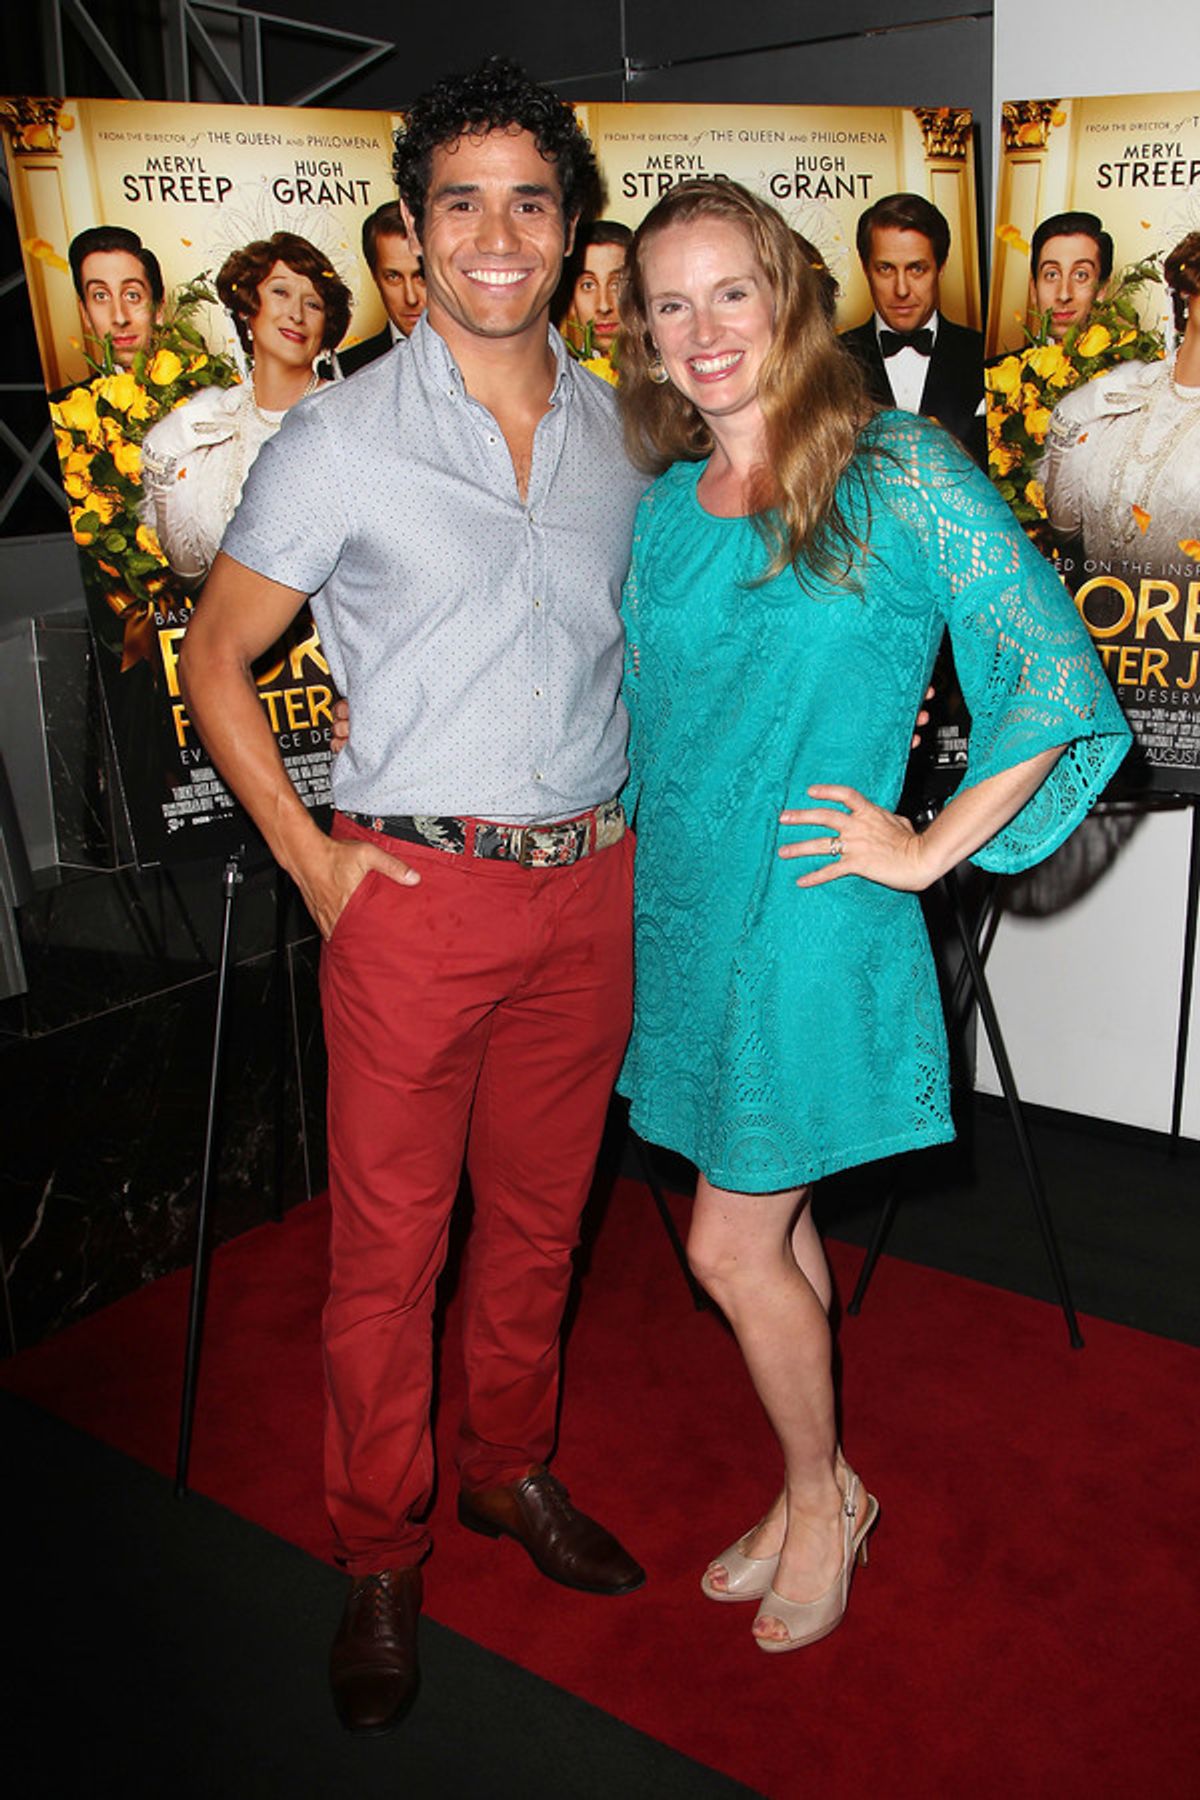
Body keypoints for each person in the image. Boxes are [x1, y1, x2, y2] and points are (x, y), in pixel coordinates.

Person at [177, 59, 649, 1735]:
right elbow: (215, 655)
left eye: (531, 198)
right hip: (414, 900)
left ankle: (506, 1471)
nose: (498, 234)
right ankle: (377, 1550)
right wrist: (313, 864)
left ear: (573, 223)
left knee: (539, 1225)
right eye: (463, 201)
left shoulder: (622, 428)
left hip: (595, 890)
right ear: (417, 230)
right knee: (391, 1249)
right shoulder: (344, 435)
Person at [616, 178, 1129, 1653]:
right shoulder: (663, 511)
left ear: (787, 293)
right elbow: (661, 719)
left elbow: (1049, 670)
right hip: (694, 914)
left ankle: (823, 1495)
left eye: (732, 291)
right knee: (768, 1234)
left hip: (818, 910)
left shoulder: (896, 466)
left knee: (723, 1247)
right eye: (670, 303)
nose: (705, 329)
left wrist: (927, 848)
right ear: (643, 336)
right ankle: (816, 1478)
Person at [139, 233, 351, 582]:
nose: (296, 314)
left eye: (313, 304)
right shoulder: (208, 423)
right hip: (235, 633)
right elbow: (190, 573)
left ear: (326, 326)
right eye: (280, 293)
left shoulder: (351, 417)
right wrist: (163, 470)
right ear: (247, 309)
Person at [1041, 232, 1200, 569]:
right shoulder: (1123, 390)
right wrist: (1066, 422)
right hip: (1092, 613)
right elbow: (1065, 530)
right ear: (1188, 290)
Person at [840, 192, 984, 461]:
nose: (901, 289)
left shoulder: (982, 354)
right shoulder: (831, 360)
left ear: (940, 267)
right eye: (886, 269)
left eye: (917, 269)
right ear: (865, 268)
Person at [337, 201, 426, 374]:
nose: (411, 298)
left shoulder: (485, 355)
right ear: (374, 276)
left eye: (421, 276)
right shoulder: (344, 370)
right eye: (393, 277)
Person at [66, 225, 164, 374]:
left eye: (132, 296)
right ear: (85, 312)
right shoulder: (65, 398)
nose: (120, 318)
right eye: (101, 296)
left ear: (158, 309)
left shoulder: (204, 395)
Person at [1029, 211, 1113, 345]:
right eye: (1052, 275)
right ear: (1034, 289)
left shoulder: (1135, 366)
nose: (1064, 295)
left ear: (1101, 290)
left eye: (1081, 275)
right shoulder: (995, 366)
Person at [560, 218, 631, 358]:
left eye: (617, 285)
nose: (604, 307)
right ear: (571, 302)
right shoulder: (557, 377)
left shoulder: (674, 373)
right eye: (588, 285)